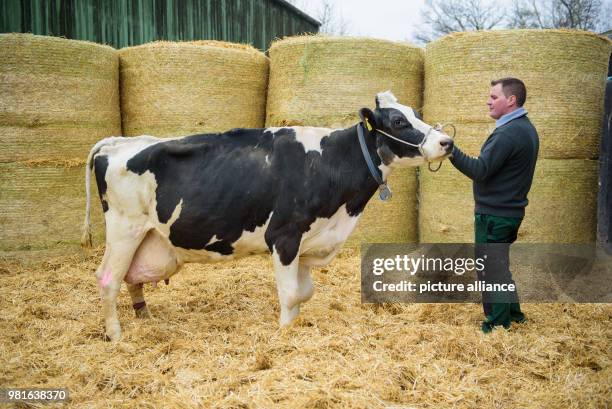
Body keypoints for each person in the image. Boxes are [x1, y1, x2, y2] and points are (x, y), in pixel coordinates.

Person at [449, 77, 539, 333]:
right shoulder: (524, 127)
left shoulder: (509, 133)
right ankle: (514, 314)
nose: (488, 101)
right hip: (507, 212)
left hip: (495, 215)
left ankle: (498, 324)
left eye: (493, 96)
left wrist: (450, 150)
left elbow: (480, 170)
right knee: (499, 267)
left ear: (511, 100)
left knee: (491, 270)